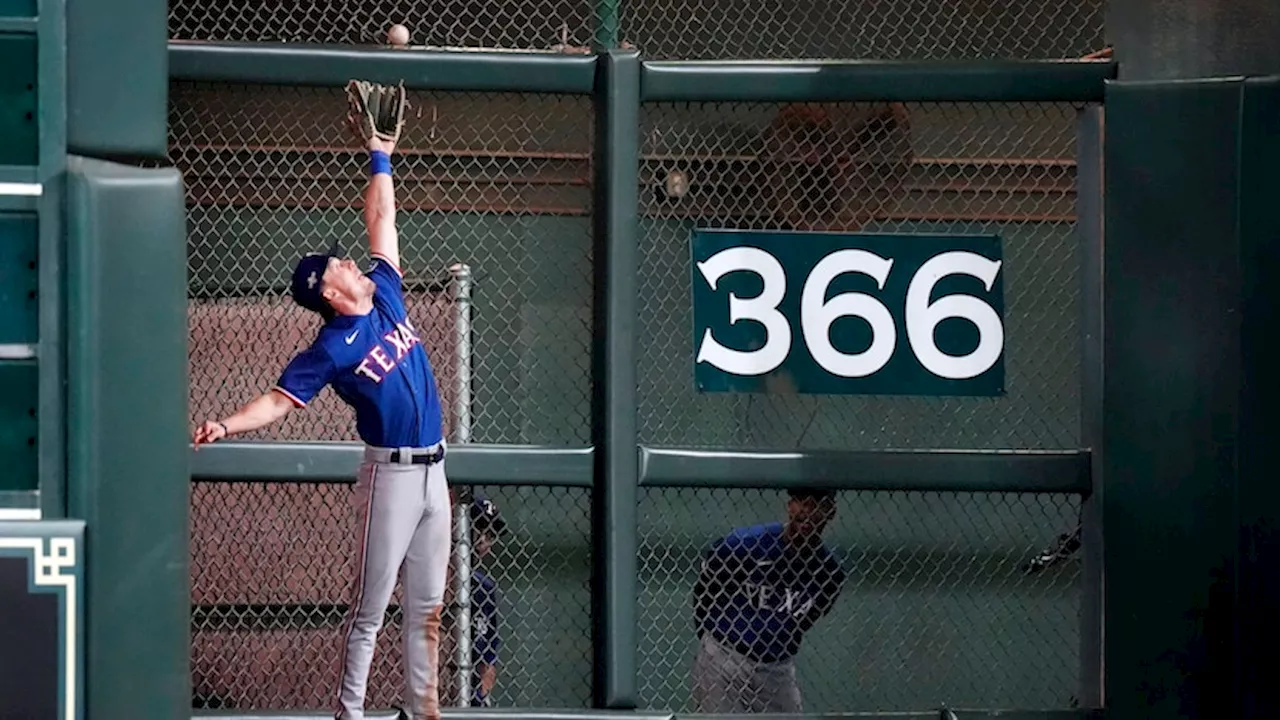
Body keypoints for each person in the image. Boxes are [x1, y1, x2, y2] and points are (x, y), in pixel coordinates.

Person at [191, 101, 451, 720]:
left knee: (430, 606)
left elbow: (382, 217)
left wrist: (380, 152)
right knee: (370, 608)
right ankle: (349, 713)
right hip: (389, 474)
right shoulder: (332, 346)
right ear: (329, 293)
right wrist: (225, 423)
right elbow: (279, 401)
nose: (347, 262)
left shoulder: (385, 292)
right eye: (337, 265)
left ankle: (423, 711)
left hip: (435, 471)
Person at [691, 488, 847, 713]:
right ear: (789, 505)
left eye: (817, 506)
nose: (807, 512)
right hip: (725, 656)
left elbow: (808, 618)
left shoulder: (829, 571)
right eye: (801, 502)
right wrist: (710, 640)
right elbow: (704, 591)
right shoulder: (745, 544)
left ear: (830, 512)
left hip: (776, 668)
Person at [439, 495, 506, 707]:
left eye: (491, 534)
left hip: (468, 691)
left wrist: (480, 697)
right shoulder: (438, 575)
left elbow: (489, 655)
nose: (484, 540)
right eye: (480, 529)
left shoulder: (483, 588)